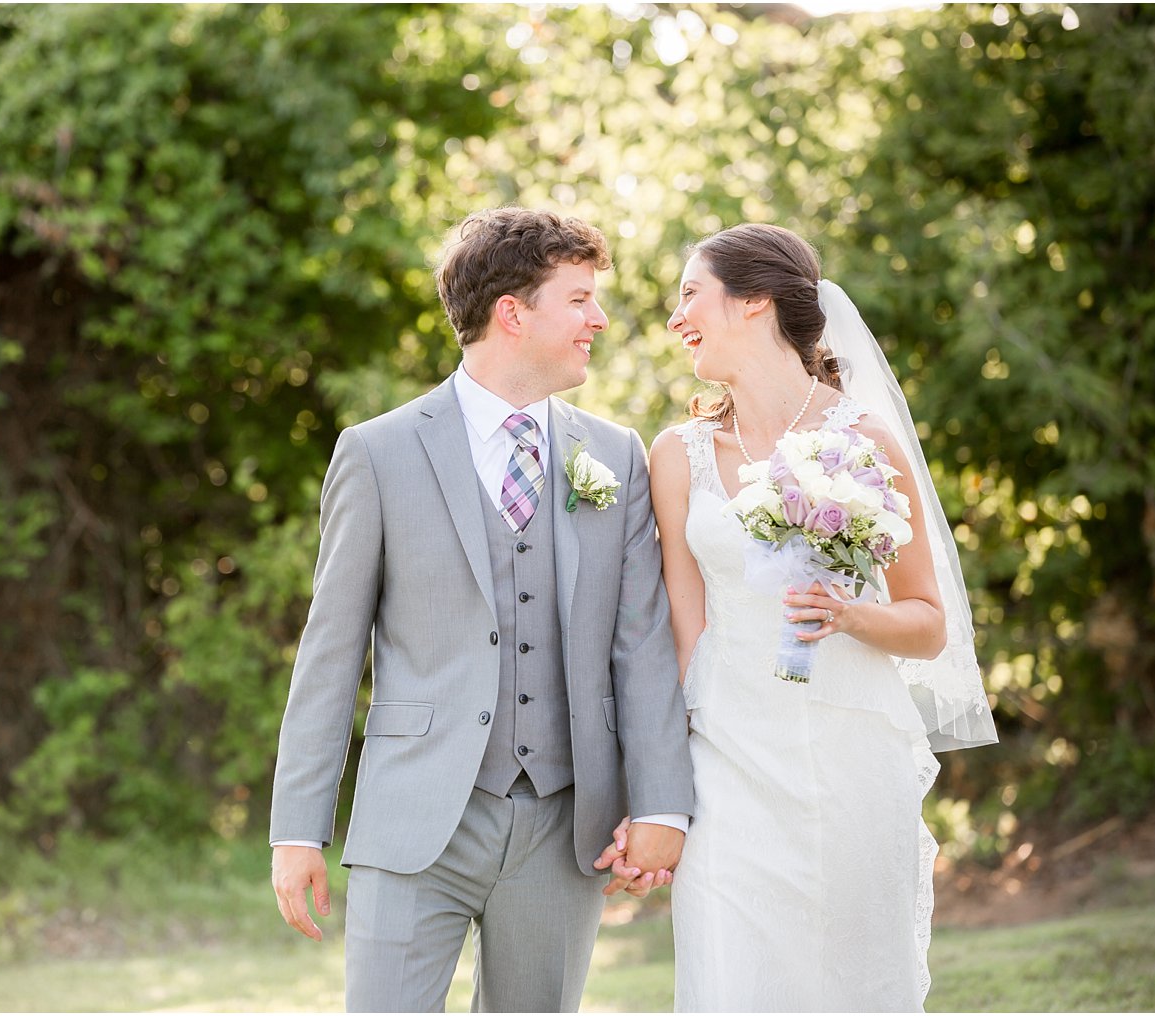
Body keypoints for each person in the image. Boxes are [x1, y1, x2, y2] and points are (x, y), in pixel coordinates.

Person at [269, 207, 695, 1013]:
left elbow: (639, 644)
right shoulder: (379, 452)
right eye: (578, 299)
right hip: (414, 820)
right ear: (512, 312)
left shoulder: (615, 457)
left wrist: (662, 801)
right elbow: (331, 651)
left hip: (562, 827)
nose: (597, 319)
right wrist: (298, 828)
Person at [642, 223, 997, 1012]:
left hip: (848, 751)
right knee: (729, 976)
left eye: (690, 293)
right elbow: (681, 626)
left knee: (854, 981)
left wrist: (849, 615)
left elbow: (928, 621)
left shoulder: (863, 440)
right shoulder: (679, 454)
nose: (676, 318)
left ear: (756, 301)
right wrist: (656, 786)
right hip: (726, 759)